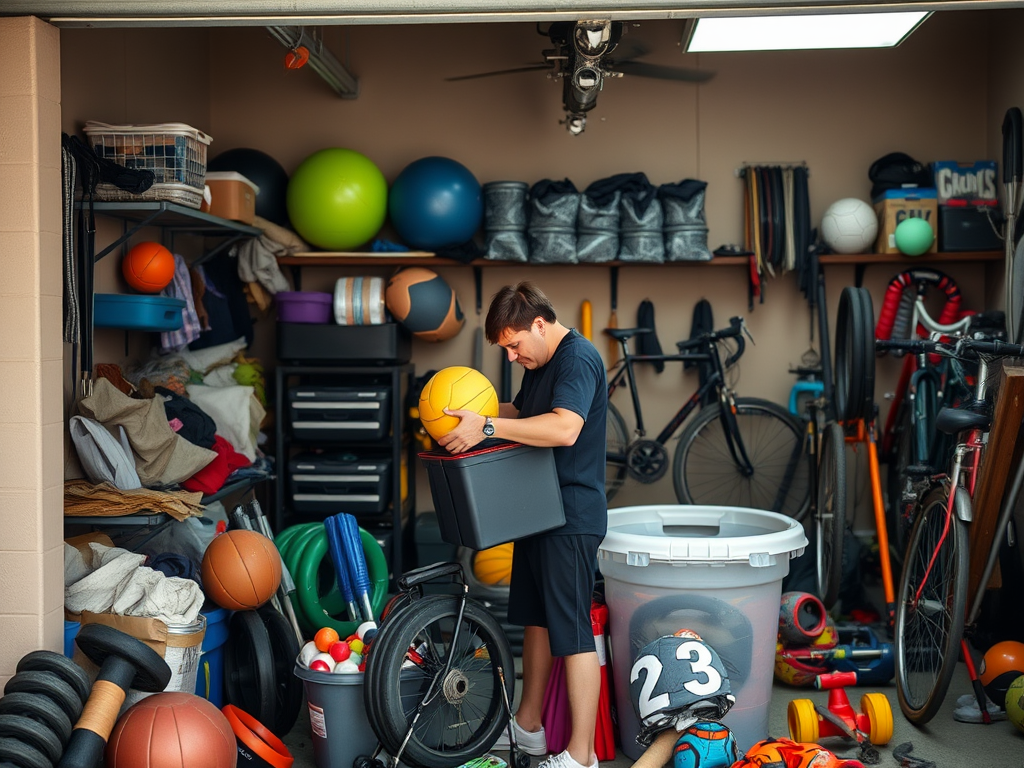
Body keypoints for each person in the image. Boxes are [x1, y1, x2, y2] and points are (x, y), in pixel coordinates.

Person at [438, 282, 608, 768]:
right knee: (536, 621)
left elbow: (563, 427)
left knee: (572, 634)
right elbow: (524, 413)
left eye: (514, 344)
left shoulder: (577, 358)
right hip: (538, 509)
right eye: (504, 348)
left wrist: (487, 428)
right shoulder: (542, 362)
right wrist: (472, 416)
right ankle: (529, 729)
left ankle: (581, 756)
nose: (512, 356)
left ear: (539, 323)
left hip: (571, 516)